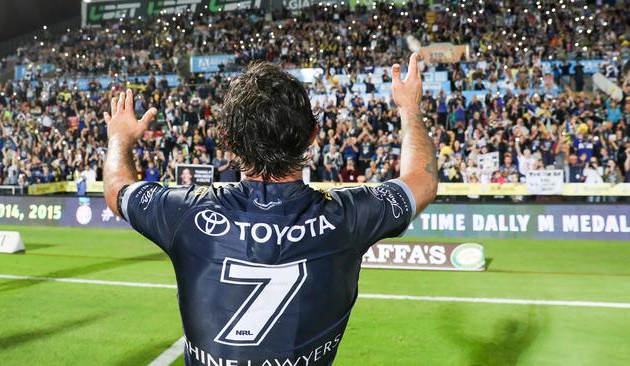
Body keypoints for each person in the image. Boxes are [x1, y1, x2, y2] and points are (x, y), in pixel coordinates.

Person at [103, 56, 437, 366]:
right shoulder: (348, 218)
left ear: (227, 141)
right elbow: (422, 181)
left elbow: (117, 189)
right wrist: (409, 108)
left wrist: (119, 138)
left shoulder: (185, 213)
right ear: (312, 135)